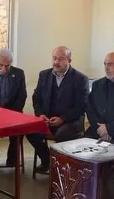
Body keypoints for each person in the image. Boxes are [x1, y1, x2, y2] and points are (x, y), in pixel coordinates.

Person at [26, 46, 89, 174]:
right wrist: (40, 114)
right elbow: (36, 98)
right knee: (29, 130)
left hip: (70, 121)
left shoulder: (80, 79)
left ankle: (62, 167)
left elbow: (81, 106)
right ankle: (47, 161)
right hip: (47, 119)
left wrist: (62, 119)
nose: (56, 62)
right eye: (54, 58)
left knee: (62, 134)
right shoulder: (44, 75)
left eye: (60, 59)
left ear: (69, 60)